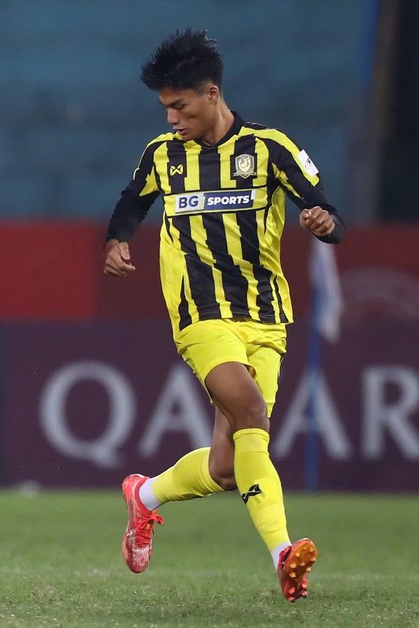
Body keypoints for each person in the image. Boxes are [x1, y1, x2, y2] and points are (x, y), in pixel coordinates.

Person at [103, 29, 345, 603]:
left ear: (211, 93)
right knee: (250, 409)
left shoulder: (270, 149)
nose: (170, 119)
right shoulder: (163, 157)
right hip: (200, 315)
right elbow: (130, 203)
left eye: (179, 106)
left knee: (229, 464)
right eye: (164, 107)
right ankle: (283, 555)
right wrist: (117, 241)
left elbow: (326, 209)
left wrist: (322, 224)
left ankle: (146, 497)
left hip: (266, 316)